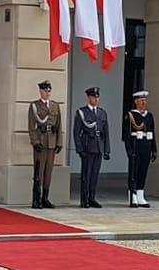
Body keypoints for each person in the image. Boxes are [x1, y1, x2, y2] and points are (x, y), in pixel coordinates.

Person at [26, 80, 63, 209]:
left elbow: (59, 126)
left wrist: (59, 142)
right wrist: (35, 141)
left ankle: (45, 198)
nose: (47, 93)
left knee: (48, 172)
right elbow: (31, 126)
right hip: (41, 142)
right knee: (39, 172)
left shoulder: (55, 106)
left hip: (51, 142)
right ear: (40, 91)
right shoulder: (35, 106)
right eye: (45, 91)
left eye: (49, 91)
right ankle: (36, 199)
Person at [72, 87, 110, 208]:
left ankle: (92, 197)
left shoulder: (102, 113)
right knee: (86, 175)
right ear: (89, 98)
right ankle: (84, 198)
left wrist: (107, 150)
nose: (96, 99)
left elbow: (106, 133)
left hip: (98, 147)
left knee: (95, 174)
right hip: (87, 146)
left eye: (97, 97)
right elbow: (76, 132)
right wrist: (79, 148)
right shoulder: (82, 112)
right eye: (94, 97)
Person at [124, 90, 157, 208]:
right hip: (135, 146)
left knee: (143, 171)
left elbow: (153, 133)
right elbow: (127, 135)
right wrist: (128, 150)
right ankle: (132, 196)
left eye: (145, 100)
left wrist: (154, 149)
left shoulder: (149, 116)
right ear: (136, 101)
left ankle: (140, 195)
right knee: (134, 172)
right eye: (141, 100)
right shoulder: (131, 115)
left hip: (146, 146)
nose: (143, 103)